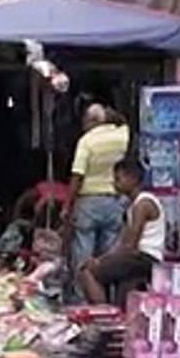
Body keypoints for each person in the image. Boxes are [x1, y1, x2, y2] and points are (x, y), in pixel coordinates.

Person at [64, 104, 131, 297]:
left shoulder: (87, 141)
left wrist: (68, 205)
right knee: (109, 255)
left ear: (91, 121)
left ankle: (81, 298)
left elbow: (77, 175)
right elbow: (126, 124)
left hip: (89, 202)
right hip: (115, 200)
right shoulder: (122, 134)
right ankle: (108, 296)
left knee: (83, 253)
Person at [78, 158, 165, 305]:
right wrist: (101, 259)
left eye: (118, 178)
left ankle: (104, 314)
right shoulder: (133, 205)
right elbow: (124, 243)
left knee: (88, 273)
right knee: (98, 269)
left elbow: (130, 246)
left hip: (144, 258)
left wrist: (100, 262)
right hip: (136, 257)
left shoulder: (143, 204)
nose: (114, 183)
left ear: (132, 179)